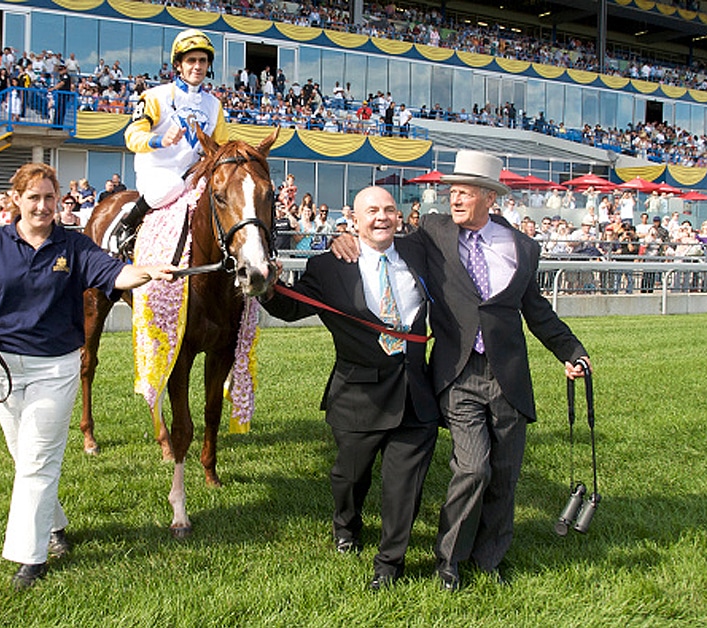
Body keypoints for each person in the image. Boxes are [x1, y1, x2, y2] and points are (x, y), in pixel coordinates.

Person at [330, 149, 591, 590]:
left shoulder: (523, 247)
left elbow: (537, 311)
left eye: (465, 192)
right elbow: (383, 239)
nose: (454, 198)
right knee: (473, 469)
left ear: (490, 197)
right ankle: (448, 561)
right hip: (457, 374)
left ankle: (489, 560)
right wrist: (347, 238)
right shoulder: (433, 233)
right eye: (452, 191)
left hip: (509, 377)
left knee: (504, 477)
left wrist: (572, 351)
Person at [0, 162, 176, 589]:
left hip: (55, 368)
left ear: (59, 201)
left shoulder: (73, 246)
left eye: (49, 198)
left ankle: (30, 557)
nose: (42, 206)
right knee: (26, 458)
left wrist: (149, 270)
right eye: (33, 197)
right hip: (2, 368)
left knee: (38, 461)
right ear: (16, 200)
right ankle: (54, 525)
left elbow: (116, 273)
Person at [262, 186, 438, 591]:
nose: (382, 217)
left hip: (415, 394)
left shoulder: (420, 253)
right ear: (353, 220)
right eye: (371, 211)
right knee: (349, 477)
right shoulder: (329, 266)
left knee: (404, 487)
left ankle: (389, 564)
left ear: (399, 217)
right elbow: (292, 307)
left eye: (389, 210)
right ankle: (346, 524)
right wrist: (269, 286)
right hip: (358, 394)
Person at [112, 29, 229, 253]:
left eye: (202, 61)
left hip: (192, 175)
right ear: (178, 65)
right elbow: (132, 136)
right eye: (191, 60)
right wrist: (160, 140)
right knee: (172, 186)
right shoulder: (155, 96)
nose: (197, 66)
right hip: (157, 172)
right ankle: (128, 223)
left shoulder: (214, 105)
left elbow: (221, 146)